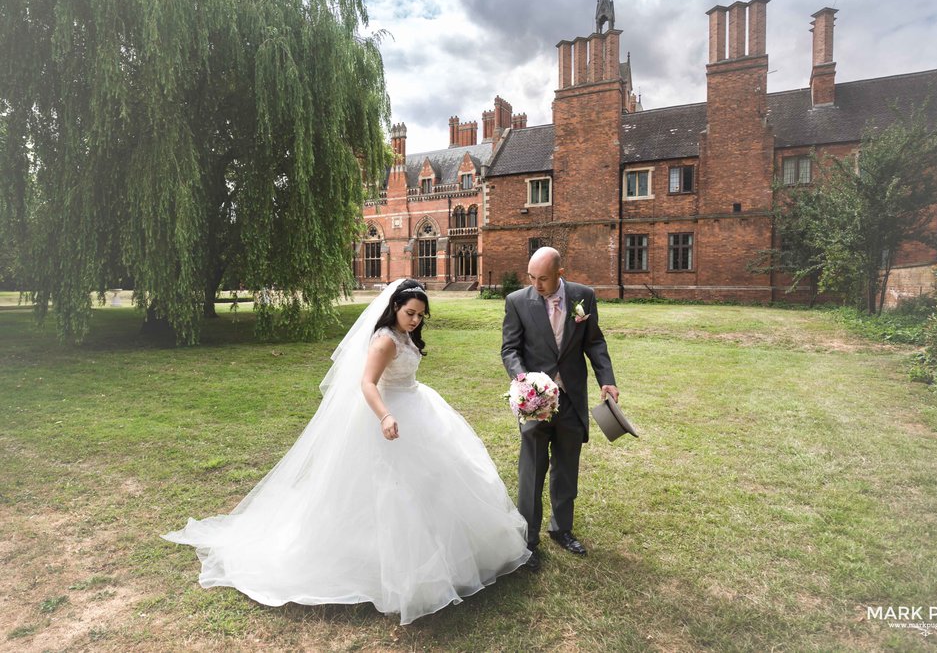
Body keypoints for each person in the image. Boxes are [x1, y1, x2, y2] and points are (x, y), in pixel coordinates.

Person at [163, 279, 530, 625]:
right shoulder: (385, 340)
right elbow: (367, 383)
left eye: (420, 315)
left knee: (437, 479)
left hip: (417, 405)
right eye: (410, 313)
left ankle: (450, 557)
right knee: (389, 491)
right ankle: (395, 567)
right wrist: (385, 416)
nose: (416, 320)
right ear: (395, 308)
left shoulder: (406, 335)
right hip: (389, 412)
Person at [501, 247, 619, 571]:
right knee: (531, 472)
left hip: (571, 398)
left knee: (567, 469)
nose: (536, 284)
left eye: (543, 279)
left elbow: (594, 342)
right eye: (531, 278)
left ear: (559, 273)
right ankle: (528, 541)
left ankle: (561, 529)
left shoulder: (584, 297)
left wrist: (606, 379)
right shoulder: (516, 302)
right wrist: (523, 381)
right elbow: (510, 349)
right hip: (536, 402)